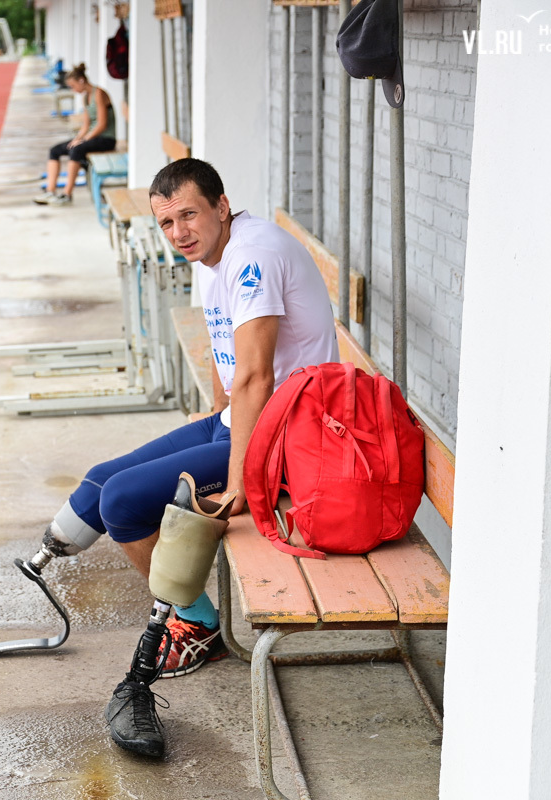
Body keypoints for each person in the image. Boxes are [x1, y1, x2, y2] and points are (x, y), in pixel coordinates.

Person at [36, 158, 339, 756]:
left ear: (222, 206)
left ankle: (198, 624)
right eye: (167, 221)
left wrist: (241, 482)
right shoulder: (211, 256)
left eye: (190, 215)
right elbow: (227, 364)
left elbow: (255, 376)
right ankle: (50, 557)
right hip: (243, 423)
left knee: (123, 502)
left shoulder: (253, 255)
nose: (178, 232)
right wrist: (208, 427)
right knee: (101, 482)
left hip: (288, 438)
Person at [33, 63, 117, 207]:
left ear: (81, 81)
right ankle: (50, 190)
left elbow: (102, 124)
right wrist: (77, 139)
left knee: (76, 150)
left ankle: (67, 194)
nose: (73, 89)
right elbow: (85, 125)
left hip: (106, 139)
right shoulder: (86, 98)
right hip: (91, 137)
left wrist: (83, 140)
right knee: (55, 150)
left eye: (73, 86)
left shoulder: (99, 94)